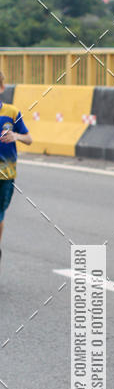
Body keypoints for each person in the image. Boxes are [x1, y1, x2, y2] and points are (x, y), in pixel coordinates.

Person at [0, 72, 32, 266]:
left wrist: (16, 136)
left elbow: (29, 138)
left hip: (6, 175)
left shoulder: (11, 113)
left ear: (2, 88)